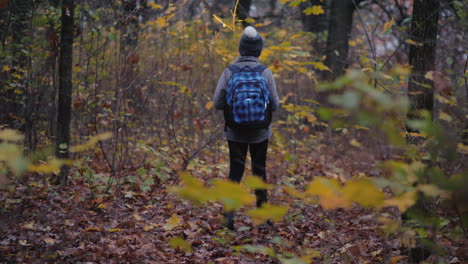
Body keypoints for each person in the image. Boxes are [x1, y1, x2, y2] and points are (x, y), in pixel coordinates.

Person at [213, 26, 280, 230]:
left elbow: (217, 102)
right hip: (260, 133)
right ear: (258, 51)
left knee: (235, 173)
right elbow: (275, 104)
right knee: (259, 172)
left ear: (241, 49)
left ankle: (228, 220)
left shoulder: (229, 71)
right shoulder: (265, 72)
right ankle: (263, 219)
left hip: (235, 132)